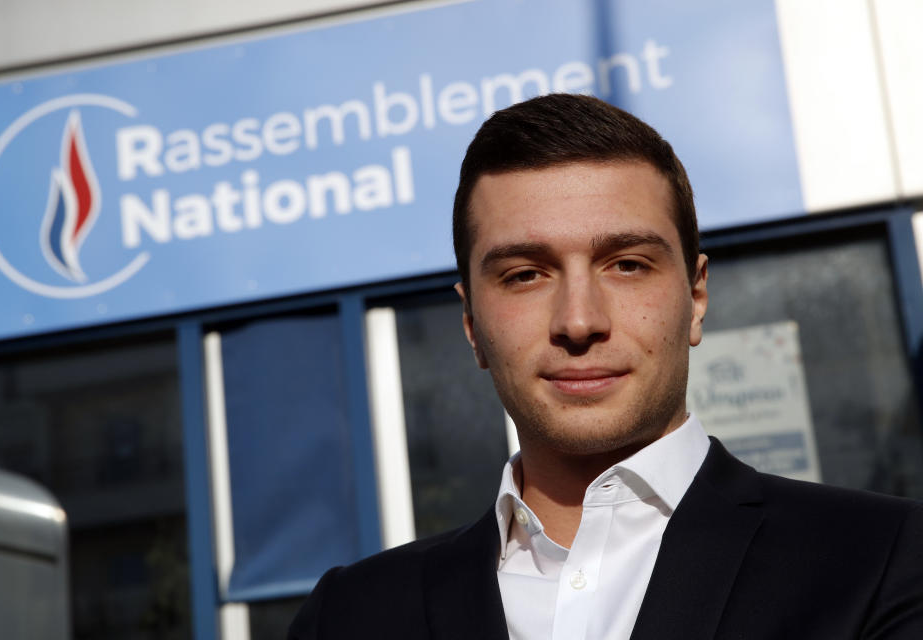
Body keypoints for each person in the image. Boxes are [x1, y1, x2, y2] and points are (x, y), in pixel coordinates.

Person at [288, 94, 923, 639]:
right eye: (525, 275)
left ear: (695, 298)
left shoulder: (884, 562)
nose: (580, 320)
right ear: (472, 327)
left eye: (627, 264)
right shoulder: (349, 617)